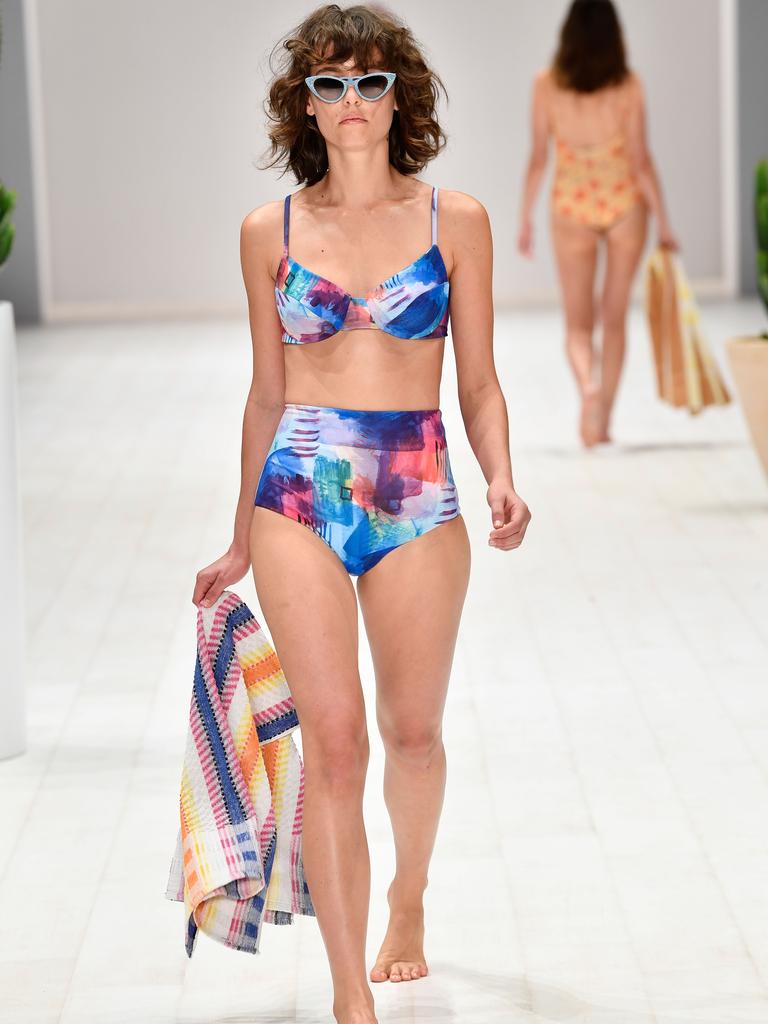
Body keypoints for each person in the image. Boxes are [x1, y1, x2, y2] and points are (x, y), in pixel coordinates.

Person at [191, 4, 530, 1023]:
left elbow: (478, 383)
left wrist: (501, 473)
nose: (350, 102)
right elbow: (265, 391)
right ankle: (349, 995)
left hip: (416, 485)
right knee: (334, 741)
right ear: (305, 102)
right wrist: (243, 535)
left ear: (399, 98)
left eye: (370, 82)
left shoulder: (452, 221)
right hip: (300, 486)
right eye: (329, 83)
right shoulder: (270, 232)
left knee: (412, 731)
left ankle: (408, 901)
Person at [518, 0, 678, 447]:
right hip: (625, 202)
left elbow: (537, 158)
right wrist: (664, 222)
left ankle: (588, 385)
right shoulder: (628, 85)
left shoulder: (546, 85)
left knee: (578, 322)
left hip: (571, 204)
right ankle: (603, 417)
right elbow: (642, 161)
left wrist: (525, 217)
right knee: (614, 316)